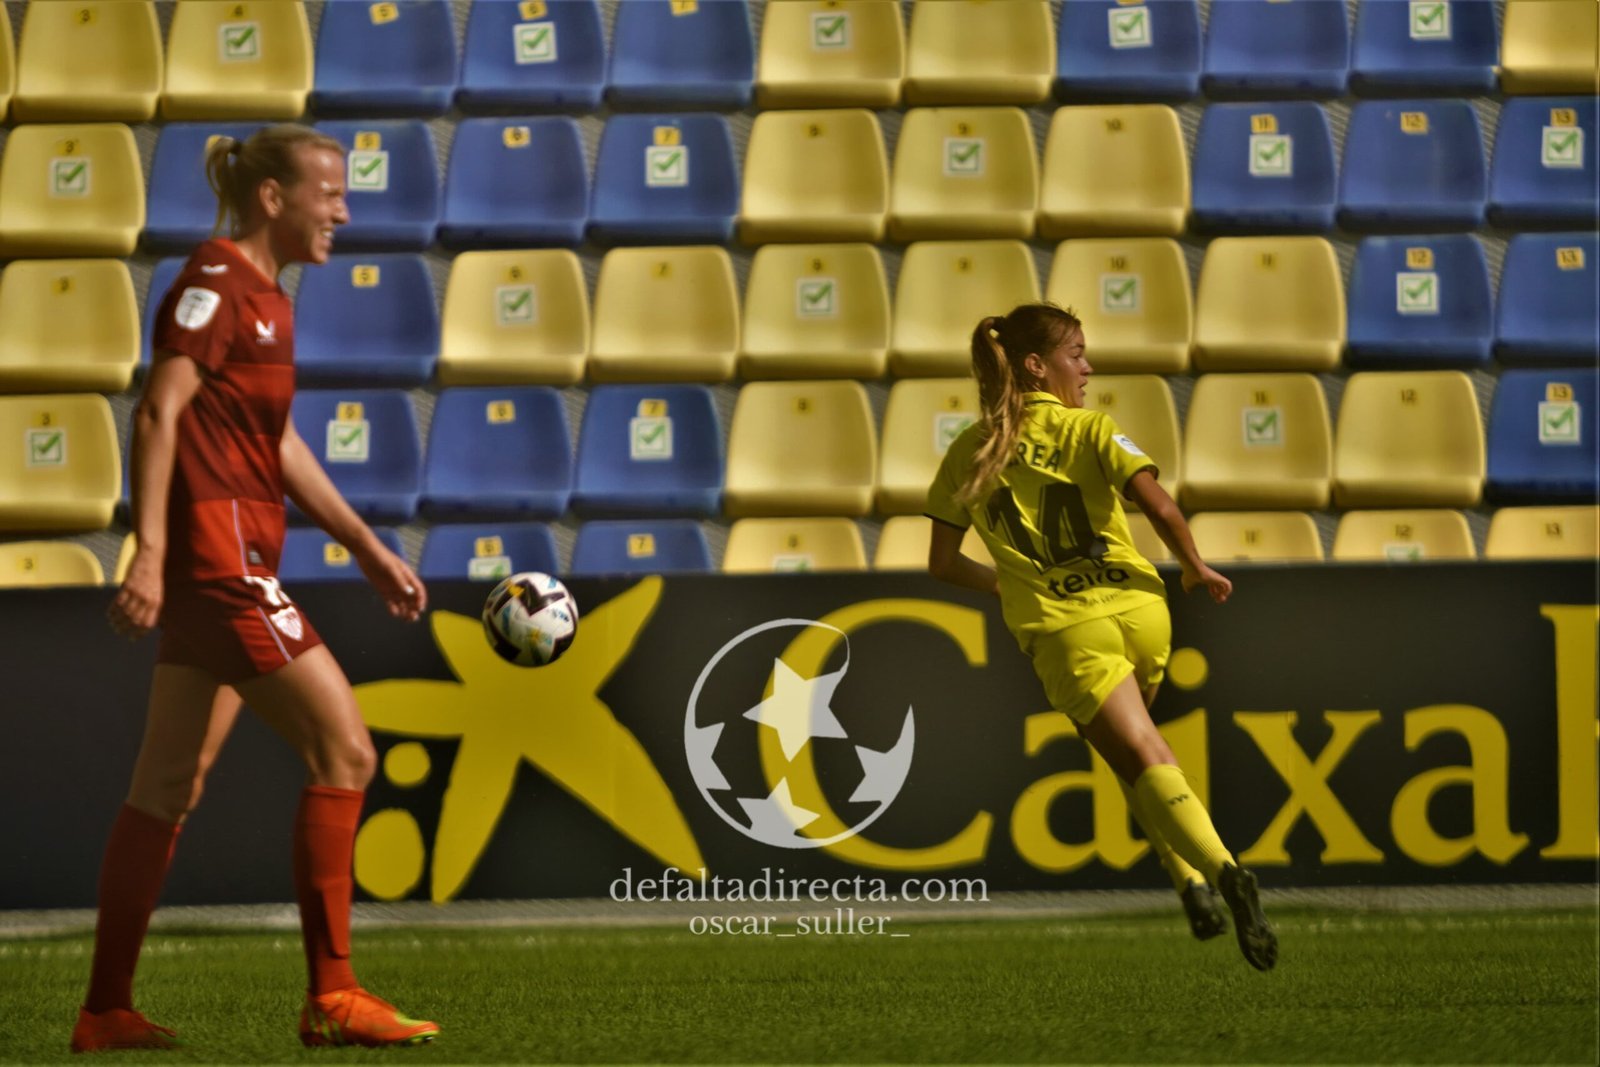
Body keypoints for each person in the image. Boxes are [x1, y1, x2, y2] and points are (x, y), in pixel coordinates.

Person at [72, 125, 440, 1052]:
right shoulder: (212, 283)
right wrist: (150, 551)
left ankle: (105, 1009)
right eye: (331, 194)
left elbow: (272, 439)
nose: (345, 211)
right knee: (346, 749)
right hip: (219, 559)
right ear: (274, 197)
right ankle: (334, 994)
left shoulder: (268, 298)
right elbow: (159, 408)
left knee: (168, 781)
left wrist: (361, 542)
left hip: (236, 558)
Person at [924, 303, 1277, 971]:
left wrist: (1007, 583)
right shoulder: (1091, 428)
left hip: (1067, 628)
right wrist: (1195, 566)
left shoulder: (968, 450)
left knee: (1139, 752)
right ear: (1037, 366)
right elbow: (1160, 506)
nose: (1088, 367)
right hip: (1142, 608)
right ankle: (1190, 884)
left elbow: (942, 563)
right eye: (1077, 354)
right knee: (1132, 753)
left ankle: (1225, 871)